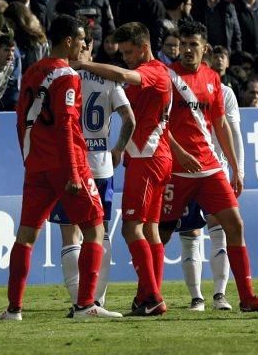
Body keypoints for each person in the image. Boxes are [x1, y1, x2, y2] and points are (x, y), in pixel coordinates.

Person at [0, 15, 121, 321]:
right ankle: (85, 305)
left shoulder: (33, 71)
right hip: (67, 165)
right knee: (95, 229)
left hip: (37, 165)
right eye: (80, 40)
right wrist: (75, 172)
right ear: (68, 41)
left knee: (26, 235)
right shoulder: (66, 75)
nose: (83, 46)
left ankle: (14, 309)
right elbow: (66, 125)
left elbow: (21, 117)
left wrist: (29, 157)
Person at [157, 20, 258, 313]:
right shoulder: (167, 77)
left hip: (210, 169)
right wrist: (179, 152)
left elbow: (221, 124)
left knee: (234, 224)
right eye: (183, 44)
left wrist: (236, 167)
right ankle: (147, 295)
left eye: (193, 45)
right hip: (176, 169)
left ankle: (247, 298)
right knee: (161, 233)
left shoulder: (213, 79)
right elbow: (158, 122)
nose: (187, 50)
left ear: (205, 48)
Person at [72, 21, 171, 316]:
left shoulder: (153, 71)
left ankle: (152, 297)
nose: (126, 57)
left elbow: (122, 75)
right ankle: (147, 297)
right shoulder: (161, 73)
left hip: (146, 157)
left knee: (131, 228)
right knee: (151, 230)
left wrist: (82, 63)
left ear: (144, 48)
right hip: (155, 156)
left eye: (129, 52)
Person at [47, 31, 135, 312]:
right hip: (101, 164)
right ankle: (97, 300)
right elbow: (129, 119)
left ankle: (78, 301)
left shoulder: (61, 78)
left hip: (70, 162)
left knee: (69, 233)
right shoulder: (109, 79)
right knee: (101, 234)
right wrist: (119, 148)